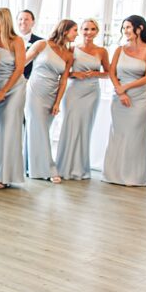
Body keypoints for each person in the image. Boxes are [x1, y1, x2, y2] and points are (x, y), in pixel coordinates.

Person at [102, 15, 146, 186]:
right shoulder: (120, 49)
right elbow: (112, 72)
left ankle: (133, 177)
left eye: (128, 27)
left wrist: (125, 88)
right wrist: (121, 92)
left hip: (141, 99)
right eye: (123, 28)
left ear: (139, 29)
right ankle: (113, 175)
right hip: (119, 97)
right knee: (117, 135)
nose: (125, 31)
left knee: (135, 136)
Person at [56, 19, 109, 180]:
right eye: (85, 29)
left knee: (85, 128)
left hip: (92, 92)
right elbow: (64, 73)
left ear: (97, 32)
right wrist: (75, 74)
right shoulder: (72, 49)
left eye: (93, 29)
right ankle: (63, 167)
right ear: (81, 31)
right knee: (70, 126)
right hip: (74, 91)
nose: (89, 32)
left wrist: (95, 74)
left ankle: (80, 168)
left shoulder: (102, 51)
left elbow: (108, 73)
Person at [25, 19, 75, 183]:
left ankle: (29, 167)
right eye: (75, 30)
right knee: (37, 127)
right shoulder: (41, 44)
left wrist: (57, 102)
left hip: (52, 94)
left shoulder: (68, 55)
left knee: (40, 129)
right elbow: (22, 63)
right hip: (35, 91)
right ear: (65, 30)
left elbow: (63, 81)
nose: (77, 34)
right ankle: (48, 168)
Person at [0, 7, 27, 189]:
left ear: (5, 21)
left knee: (11, 128)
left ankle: (6, 176)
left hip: (15, 88)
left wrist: (4, 90)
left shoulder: (16, 41)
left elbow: (20, 68)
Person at [17, 9, 43, 79]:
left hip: (31, 81)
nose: (23, 22)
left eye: (26, 19)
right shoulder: (8, 40)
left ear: (33, 22)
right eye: (20, 19)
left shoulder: (40, 42)